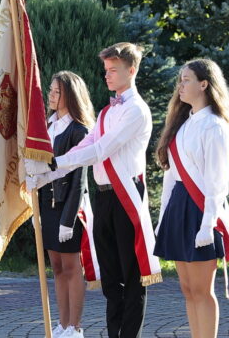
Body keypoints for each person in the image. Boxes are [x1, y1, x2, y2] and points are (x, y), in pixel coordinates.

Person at [26, 42, 162, 338]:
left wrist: (53, 163)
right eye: (106, 70)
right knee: (111, 278)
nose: (107, 76)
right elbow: (84, 148)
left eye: (113, 70)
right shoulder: (105, 113)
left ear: (132, 70)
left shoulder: (136, 111)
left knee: (130, 274)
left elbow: (100, 150)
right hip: (103, 197)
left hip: (126, 195)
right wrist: (45, 172)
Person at [153, 58, 229, 338]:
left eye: (186, 80)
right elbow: (171, 177)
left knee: (203, 290)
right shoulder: (182, 125)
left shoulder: (215, 126)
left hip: (202, 209)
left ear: (204, 84)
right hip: (179, 207)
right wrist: (161, 220)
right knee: (187, 289)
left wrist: (207, 225)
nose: (180, 85)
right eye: (180, 80)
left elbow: (218, 182)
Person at [26, 71, 95, 338]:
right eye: (51, 90)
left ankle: (74, 327)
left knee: (70, 267)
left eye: (57, 91)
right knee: (56, 268)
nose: (51, 95)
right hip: (46, 206)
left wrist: (68, 218)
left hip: (68, 209)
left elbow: (79, 179)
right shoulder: (47, 126)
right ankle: (62, 323)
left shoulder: (79, 130)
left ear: (70, 95)